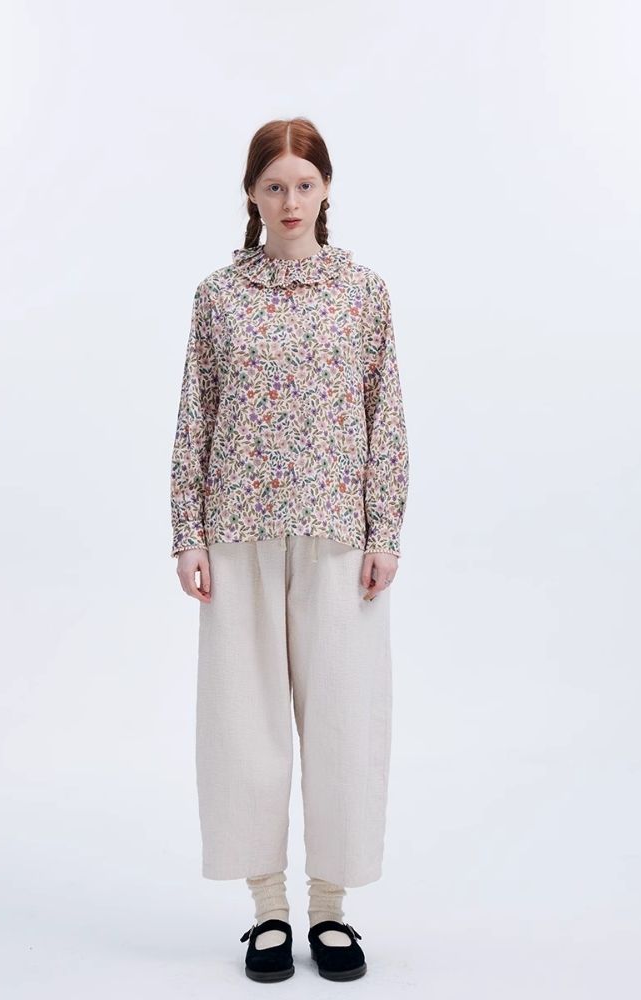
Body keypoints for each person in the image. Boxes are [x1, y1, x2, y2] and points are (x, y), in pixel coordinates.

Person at [169, 117, 409, 981]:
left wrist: (386, 531)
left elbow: (386, 415)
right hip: (237, 529)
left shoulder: (364, 293)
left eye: (304, 184)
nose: (291, 201)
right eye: (274, 186)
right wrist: (187, 534)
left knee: (344, 719)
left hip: (339, 532)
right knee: (245, 723)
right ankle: (268, 909)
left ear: (327, 189)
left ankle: (330, 910)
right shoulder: (219, 295)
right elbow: (195, 414)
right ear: (251, 194)